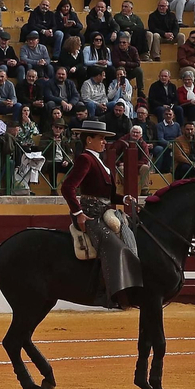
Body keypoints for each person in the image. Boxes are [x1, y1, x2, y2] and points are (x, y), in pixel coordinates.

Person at [61, 119, 141, 309]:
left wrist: (124, 199)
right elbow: (67, 187)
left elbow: (110, 195)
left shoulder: (98, 161)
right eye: (101, 138)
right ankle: (108, 295)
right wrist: (79, 213)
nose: (104, 142)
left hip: (105, 211)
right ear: (89, 140)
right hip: (90, 214)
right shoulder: (85, 159)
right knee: (113, 246)